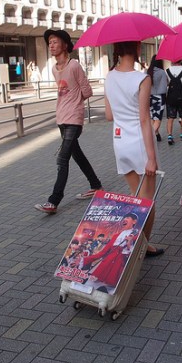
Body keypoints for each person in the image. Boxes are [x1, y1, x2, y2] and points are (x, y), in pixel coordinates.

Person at [104, 40, 164, 257]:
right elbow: (144, 119)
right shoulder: (142, 78)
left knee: (133, 194)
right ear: (138, 48)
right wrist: (151, 157)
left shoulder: (109, 76)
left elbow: (109, 115)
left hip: (119, 141)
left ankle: (131, 242)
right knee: (147, 201)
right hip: (139, 143)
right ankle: (141, 246)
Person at [35, 29, 103, 214]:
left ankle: (53, 201)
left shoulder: (74, 65)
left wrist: (74, 100)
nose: (51, 45)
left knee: (62, 158)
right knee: (76, 155)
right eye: (49, 42)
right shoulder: (54, 68)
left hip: (74, 117)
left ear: (65, 45)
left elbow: (87, 91)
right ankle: (96, 185)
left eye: (55, 42)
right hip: (61, 117)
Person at [80, 214, 140, 289]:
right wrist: (84, 260)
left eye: (127, 218)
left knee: (113, 288)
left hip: (119, 265)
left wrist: (128, 246)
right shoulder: (116, 236)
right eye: (124, 218)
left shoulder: (137, 235)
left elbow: (133, 253)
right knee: (90, 285)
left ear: (134, 221)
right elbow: (103, 252)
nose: (124, 219)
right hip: (106, 264)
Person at [165, 60, 182, 145]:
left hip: (170, 97)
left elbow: (167, 84)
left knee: (170, 118)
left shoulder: (167, 70)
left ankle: (169, 135)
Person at [146, 55, 167, 143]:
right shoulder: (162, 72)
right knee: (158, 118)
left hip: (149, 97)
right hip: (159, 97)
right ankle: (150, 136)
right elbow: (164, 86)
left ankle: (156, 134)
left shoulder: (147, 72)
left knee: (152, 117)